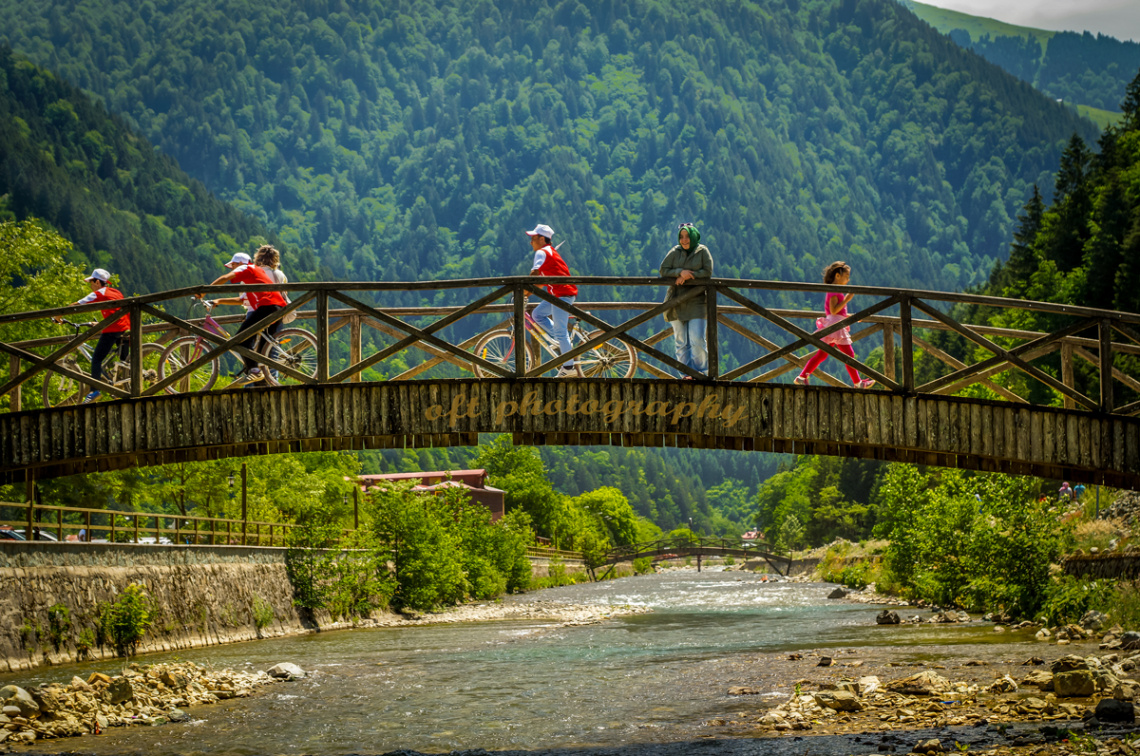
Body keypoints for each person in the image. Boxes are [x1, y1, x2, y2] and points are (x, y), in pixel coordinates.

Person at [207, 252, 287, 387]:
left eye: (233, 265)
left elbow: (225, 278)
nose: (232, 268)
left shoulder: (246, 268)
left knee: (240, 340)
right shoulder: (253, 277)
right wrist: (219, 300)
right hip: (277, 307)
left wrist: (205, 290)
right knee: (262, 351)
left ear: (239, 263)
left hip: (268, 306)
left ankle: (255, 372)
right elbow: (241, 299)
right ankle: (262, 382)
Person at [53, 268, 131, 403]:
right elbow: (115, 311)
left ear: (97, 282)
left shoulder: (98, 293)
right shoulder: (116, 292)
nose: (90, 285)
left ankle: (94, 391)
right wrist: (102, 323)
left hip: (113, 329)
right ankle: (124, 386)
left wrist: (58, 315)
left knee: (96, 359)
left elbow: (77, 305)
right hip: (125, 327)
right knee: (123, 361)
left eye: (91, 282)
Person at [794, 261, 875, 388]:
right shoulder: (834, 291)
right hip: (835, 327)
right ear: (838, 276)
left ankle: (802, 377)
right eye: (846, 277)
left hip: (834, 325)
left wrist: (852, 317)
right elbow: (833, 310)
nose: (848, 280)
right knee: (849, 355)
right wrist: (847, 299)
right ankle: (858, 383)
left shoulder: (835, 290)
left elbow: (837, 313)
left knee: (822, 354)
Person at [525, 223, 578, 378]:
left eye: (533, 238)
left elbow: (534, 274)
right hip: (559, 294)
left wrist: (522, 289)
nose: (531, 242)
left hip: (562, 295)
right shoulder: (550, 252)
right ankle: (564, 343)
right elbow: (541, 282)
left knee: (561, 332)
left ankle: (569, 368)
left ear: (542, 239)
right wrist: (526, 294)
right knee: (537, 315)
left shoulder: (542, 252)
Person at [660, 223, 713, 377]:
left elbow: (707, 271)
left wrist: (691, 276)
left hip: (697, 301)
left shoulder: (702, 251)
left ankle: (702, 373)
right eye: (681, 237)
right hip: (676, 301)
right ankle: (686, 374)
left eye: (687, 236)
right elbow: (663, 270)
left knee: (697, 339)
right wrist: (679, 272)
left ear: (694, 236)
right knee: (680, 341)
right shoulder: (675, 252)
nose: (684, 240)